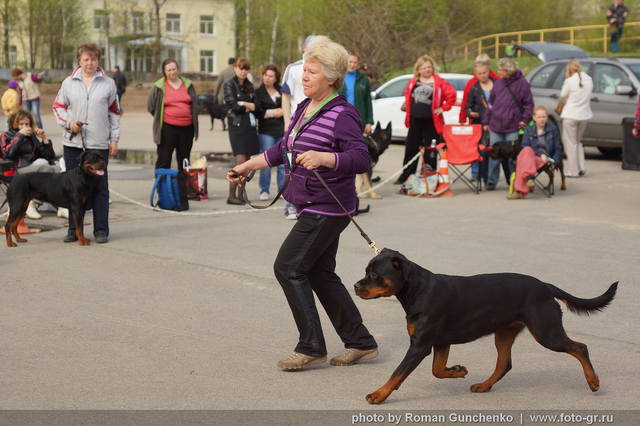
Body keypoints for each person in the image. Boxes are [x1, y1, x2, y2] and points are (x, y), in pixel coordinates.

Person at [226, 36, 378, 371]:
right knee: (321, 273)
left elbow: (361, 157)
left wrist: (326, 157)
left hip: (329, 206)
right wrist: (248, 166)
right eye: (304, 71)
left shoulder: (343, 114)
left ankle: (311, 346)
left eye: (311, 72)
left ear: (331, 77)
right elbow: (284, 148)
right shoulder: (303, 107)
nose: (304, 77)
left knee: (288, 267)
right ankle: (361, 342)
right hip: (309, 204)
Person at [52, 42, 120, 244]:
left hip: (98, 144)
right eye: (86, 59)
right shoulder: (68, 83)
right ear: (79, 61)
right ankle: (74, 230)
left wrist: (114, 139)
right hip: (73, 144)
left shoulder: (108, 83)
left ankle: (101, 230)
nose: (90, 63)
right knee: (73, 190)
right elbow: (57, 107)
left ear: (98, 61)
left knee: (100, 188)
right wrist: (68, 123)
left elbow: (115, 113)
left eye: (93, 59)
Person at [280, 35, 326, 218]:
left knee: (313, 165)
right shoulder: (293, 68)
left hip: (318, 122)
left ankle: (311, 204)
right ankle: (290, 205)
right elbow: (285, 96)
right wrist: (286, 124)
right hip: (297, 122)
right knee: (292, 165)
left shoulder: (326, 69)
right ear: (306, 48)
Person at [395, 55, 456, 184]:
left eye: (429, 67)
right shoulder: (413, 81)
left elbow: (451, 95)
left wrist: (443, 108)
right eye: (424, 68)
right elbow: (408, 96)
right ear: (418, 70)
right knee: (411, 148)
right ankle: (406, 176)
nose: (427, 70)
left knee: (430, 149)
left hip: (431, 121)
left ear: (433, 67)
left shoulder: (439, 82)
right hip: (415, 120)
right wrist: (407, 106)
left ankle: (429, 176)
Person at [483, 57, 533, 190]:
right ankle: (491, 182)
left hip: (513, 127)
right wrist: (486, 121)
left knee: (513, 158)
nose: (498, 71)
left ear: (507, 70)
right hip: (495, 126)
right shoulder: (498, 83)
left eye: (500, 69)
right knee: (494, 156)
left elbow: (529, 104)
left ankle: (515, 181)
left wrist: (524, 120)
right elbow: (491, 104)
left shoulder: (522, 83)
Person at [1, 110, 59, 218]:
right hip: (16, 169)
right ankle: (31, 203)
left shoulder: (31, 136)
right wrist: (19, 136)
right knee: (44, 168)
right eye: (21, 124)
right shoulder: (6, 135)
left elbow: (50, 157)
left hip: (32, 168)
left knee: (55, 168)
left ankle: (59, 206)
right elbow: (7, 155)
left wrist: (44, 139)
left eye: (27, 124)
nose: (24, 126)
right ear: (14, 123)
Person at [147, 58, 199, 173]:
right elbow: (151, 107)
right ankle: (163, 188)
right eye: (169, 70)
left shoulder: (188, 84)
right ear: (164, 72)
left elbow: (194, 104)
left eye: (174, 69)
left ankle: (183, 188)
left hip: (187, 128)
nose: (172, 72)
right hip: (167, 128)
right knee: (164, 159)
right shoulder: (159, 86)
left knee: (184, 160)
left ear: (178, 69)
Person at [223, 57, 259, 205]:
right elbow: (233, 105)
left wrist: (244, 103)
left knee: (248, 163)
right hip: (237, 126)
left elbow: (257, 106)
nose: (243, 71)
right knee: (240, 162)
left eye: (246, 68)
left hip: (249, 126)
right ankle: (231, 195)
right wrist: (247, 105)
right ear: (235, 68)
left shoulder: (250, 85)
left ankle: (241, 194)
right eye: (240, 68)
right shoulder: (229, 85)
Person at [508, 106, 562, 200]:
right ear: (534, 117)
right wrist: (540, 153)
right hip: (532, 156)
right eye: (539, 117)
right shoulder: (529, 129)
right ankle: (529, 178)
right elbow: (525, 145)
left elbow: (558, 148)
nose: (542, 119)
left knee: (522, 159)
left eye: (544, 117)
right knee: (526, 150)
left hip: (545, 159)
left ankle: (520, 191)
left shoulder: (553, 129)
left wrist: (555, 162)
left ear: (547, 118)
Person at [254, 64, 284, 201]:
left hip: (282, 130)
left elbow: (288, 107)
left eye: (270, 76)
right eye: (265, 75)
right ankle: (264, 190)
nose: (267, 78)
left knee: (283, 163)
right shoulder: (258, 92)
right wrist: (275, 112)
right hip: (266, 131)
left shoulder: (282, 90)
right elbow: (258, 112)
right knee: (266, 161)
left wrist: (283, 111)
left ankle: (282, 190)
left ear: (276, 78)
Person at [559, 59, 593, 178]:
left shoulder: (569, 81)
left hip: (570, 115)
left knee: (570, 143)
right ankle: (581, 167)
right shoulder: (589, 79)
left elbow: (563, 95)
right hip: (584, 115)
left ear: (569, 69)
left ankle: (573, 170)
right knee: (578, 142)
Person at [466, 61, 496, 185]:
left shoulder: (497, 84)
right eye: (479, 74)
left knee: (494, 151)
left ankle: (491, 179)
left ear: (489, 71)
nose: (482, 75)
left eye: (484, 73)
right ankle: (480, 176)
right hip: (480, 124)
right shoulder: (474, 88)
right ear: (476, 75)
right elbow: (468, 107)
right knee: (481, 151)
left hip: (497, 123)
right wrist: (471, 113)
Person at [338, 52, 374, 135]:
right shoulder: (338, 77)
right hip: (341, 118)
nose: (352, 65)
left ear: (358, 64)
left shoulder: (364, 79)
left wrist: (369, 122)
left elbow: (368, 101)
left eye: (355, 62)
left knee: (356, 145)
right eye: (350, 62)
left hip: (358, 119)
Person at [458, 54, 499, 124]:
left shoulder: (498, 81)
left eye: (483, 63)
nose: (481, 66)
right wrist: (462, 119)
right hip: (477, 120)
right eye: (478, 63)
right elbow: (466, 102)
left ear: (488, 66)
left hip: (496, 120)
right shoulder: (471, 83)